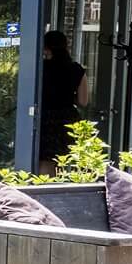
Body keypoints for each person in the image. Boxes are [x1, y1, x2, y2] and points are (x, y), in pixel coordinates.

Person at [38, 29, 90, 172]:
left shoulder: (40, 68)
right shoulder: (76, 69)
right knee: (65, 161)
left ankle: (44, 186)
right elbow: (83, 101)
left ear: (46, 47)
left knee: (46, 161)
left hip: (45, 119)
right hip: (67, 119)